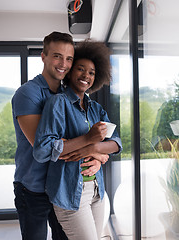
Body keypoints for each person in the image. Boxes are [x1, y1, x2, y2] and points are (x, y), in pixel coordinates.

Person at [11, 32, 107, 240]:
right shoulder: (28, 93)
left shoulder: (70, 95)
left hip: (64, 187)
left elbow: (73, 142)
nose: (63, 63)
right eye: (57, 56)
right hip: (33, 188)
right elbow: (44, 147)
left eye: (69, 58)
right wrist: (92, 147)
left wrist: (99, 157)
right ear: (43, 56)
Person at [33, 40, 122, 240]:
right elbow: (42, 150)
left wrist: (93, 151)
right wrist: (88, 138)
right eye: (81, 69)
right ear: (70, 71)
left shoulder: (96, 109)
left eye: (91, 72)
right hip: (70, 194)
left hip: (97, 192)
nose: (86, 76)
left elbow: (116, 143)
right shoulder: (57, 103)